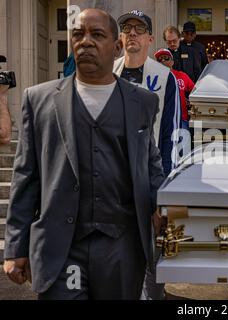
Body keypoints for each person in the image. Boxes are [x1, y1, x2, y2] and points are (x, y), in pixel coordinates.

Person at [2, 8, 165, 300]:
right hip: (62, 248)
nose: (85, 41)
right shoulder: (38, 100)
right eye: (78, 34)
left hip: (122, 245)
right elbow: (25, 176)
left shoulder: (142, 102)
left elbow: (150, 164)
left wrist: (161, 205)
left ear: (116, 47)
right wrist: (16, 246)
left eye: (97, 35)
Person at [113, 10, 180, 177]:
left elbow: (171, 132)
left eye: (140, 28)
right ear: (121, 37)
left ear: (150, 39)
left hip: (147, 169)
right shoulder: (108, 72)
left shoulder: (165, 78)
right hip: (111, 169)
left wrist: (164, 178)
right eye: (127, 28)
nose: (132, 33)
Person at [154, 48, 195, 130]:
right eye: (159, 59)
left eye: (166, 58)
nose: (163, 61)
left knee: (183, 142)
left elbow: (195, 92)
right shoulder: (153, 79)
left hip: (181, 120)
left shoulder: (182, 76)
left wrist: (190, 101)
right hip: (161, 122)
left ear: (172, 62)